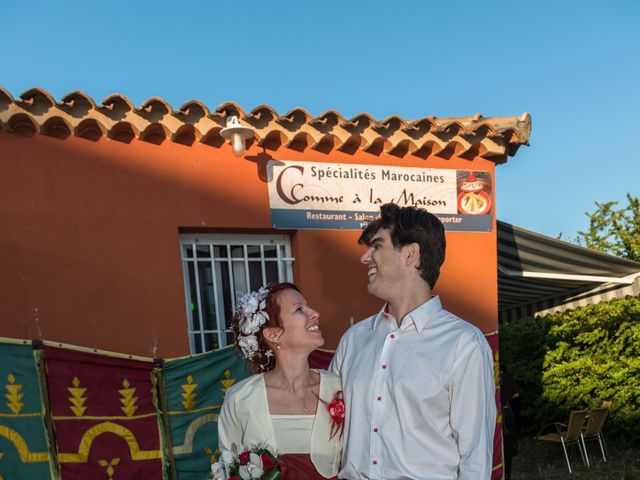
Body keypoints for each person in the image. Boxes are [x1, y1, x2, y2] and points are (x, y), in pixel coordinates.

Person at [330, 203, 496, 480]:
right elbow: (329, 427)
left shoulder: (464, 344)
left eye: (377, 246)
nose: (365, 258)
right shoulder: (353, 340)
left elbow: (474, 458)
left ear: (410, 254)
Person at [218, 282, 343, 479]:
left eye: (308, 306)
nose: (315, 313)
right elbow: (228, 468)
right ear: (273, 333)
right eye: (299, 309)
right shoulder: (240, 399)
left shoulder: (340, 389)